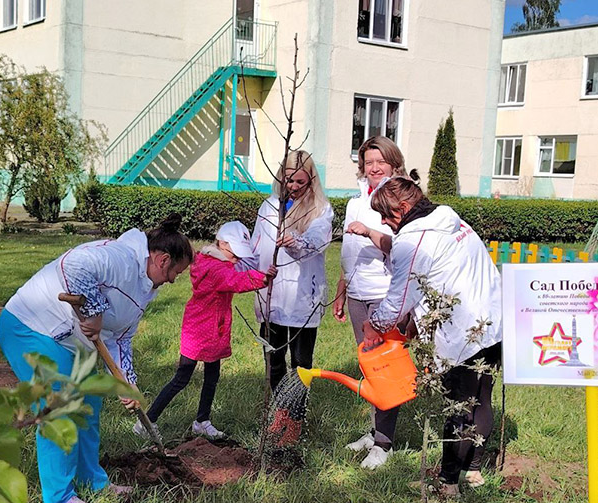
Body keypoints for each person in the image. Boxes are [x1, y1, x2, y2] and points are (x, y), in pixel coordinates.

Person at [0, 214, 193, 503]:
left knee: (89, 404)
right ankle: (59, 501)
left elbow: (122, 338)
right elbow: (74, 265)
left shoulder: (145, 289)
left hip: (73, 341)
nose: (173, 281)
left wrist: (126, 383)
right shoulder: (121, 257)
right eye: (175, 273)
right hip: (33, 327)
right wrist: (95, 311)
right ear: (163, 260)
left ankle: (92, 481)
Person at [363, 176, 502, 495]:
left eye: (385, 214)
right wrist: (418, 319)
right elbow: (444, 275)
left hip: (460, 332)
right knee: (482, 398)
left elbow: (397, 301)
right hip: (493, 322)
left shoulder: (411, 241)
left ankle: (448, 483)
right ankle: (473, 470)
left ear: (403, 207)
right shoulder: (452, 220)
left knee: (458, 406)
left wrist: (374, 325)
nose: (383, 222)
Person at [134, 221, 277, 440]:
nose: (237, 259)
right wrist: (263, 279)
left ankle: (202, 421)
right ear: (222, 244)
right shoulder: (216, 269)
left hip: (213, 329)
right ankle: (146, 422)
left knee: (212, 376)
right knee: (182, 377)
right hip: (199, 330)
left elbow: (236, 273)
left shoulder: (213, 260)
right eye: (235, 253)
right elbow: (234, 280)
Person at [333, 136, 416, 469]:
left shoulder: (400, 200)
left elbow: (400, 248)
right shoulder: (355, 201)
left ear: (394, 164)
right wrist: (342, 288)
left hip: (385, 293)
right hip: (357, 293)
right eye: (369, 162)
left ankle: (384, 444)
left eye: (381, 161)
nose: (375, 167)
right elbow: (347, 252)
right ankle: (374, 431)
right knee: (369, 367)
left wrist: (369, 231)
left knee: (385, 368)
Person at [252, 150, 334, 390]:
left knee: (301, 361)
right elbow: (256, 245)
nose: (294, 186)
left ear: (311, 180)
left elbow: (317, 240)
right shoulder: (269, 206)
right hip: (273, 293)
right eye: (289, 180)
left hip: (303, 293)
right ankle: (278, 404)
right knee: (273, 358)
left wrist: (297, 242)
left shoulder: (320, 208)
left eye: (300, 181)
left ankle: (297, 407)